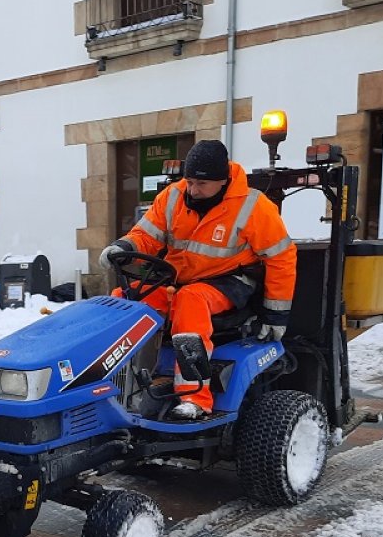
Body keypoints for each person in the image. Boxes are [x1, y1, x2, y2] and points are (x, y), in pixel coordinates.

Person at [98, 140, 296, 420]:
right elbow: (146, 235)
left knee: (190, 301)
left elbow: (281, 258)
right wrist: (125, 247)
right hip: (178, 279)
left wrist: (276, 315)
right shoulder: (172, 197)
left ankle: (194, 398)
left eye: (200, 184)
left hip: (229, 283)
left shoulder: (253, 207)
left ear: (223, 180)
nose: (192, 189)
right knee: (122, 301)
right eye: (189, 181)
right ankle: (110, 384)